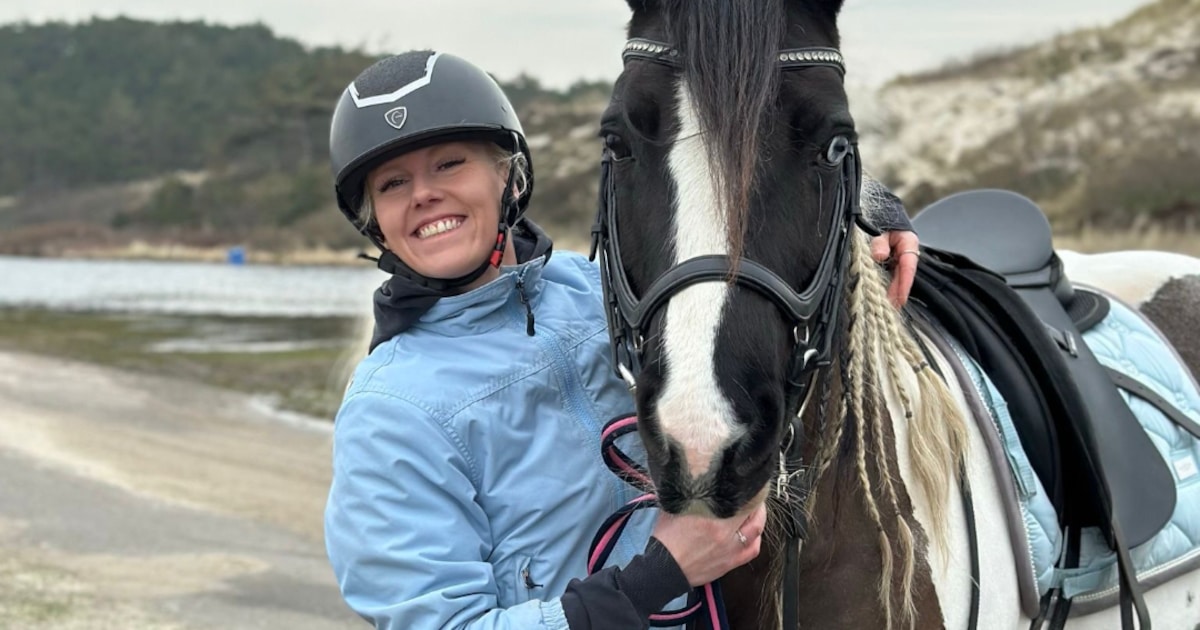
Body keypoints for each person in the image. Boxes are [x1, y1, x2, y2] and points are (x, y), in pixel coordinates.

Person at [323, 50, 918, 630]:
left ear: (508, 173)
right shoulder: (389, 412)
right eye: (393, 183)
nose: (423, 194)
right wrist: (659, 575)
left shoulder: (602, 294)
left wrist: (863, 211)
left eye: (449, 164)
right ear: (373, 219)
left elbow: (726, 238)